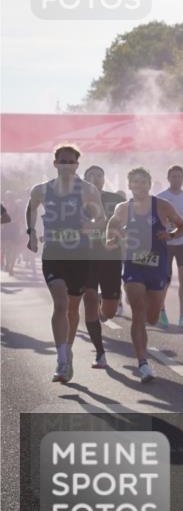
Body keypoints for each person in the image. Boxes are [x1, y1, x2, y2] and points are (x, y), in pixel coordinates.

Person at [25, 144, 107, 383]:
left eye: (71, 162)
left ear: (77, 165)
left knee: (72, 309)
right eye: (62, 161)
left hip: (80, 256)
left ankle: (67, 350)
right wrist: (30, 232)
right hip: (54, 255)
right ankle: (61, 360)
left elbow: (101, 218)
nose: (67, 166)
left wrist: (89, 225)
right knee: (60, 304)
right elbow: (31, 207)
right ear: (55, 164)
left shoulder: (88, 190)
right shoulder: (42, 189)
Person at [106, 167, 183, 383]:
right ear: (129, 185)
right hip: (134, 265)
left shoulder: (162, 206)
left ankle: (153, 307)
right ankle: (143, 363)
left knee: (152, 317)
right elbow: (113, 224)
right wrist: (112, 238)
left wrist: (169, 234)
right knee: (138, 312)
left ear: (149, 185)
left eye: (143, 182)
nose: (139, 186)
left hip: (157, 266)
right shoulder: (124, 208)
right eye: (135, 182)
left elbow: (182, 228)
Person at [81, 165, 126, 368]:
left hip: (110, 256)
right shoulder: (76, 200)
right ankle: (100, 353)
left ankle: (103, 310)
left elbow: (127, 222)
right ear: (85, 179)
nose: (96, 178)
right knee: (89, 298)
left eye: (99, 175)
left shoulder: (115, 200)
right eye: (92, 175)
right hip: (85, 257)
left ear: (104, 179)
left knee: (109, 311)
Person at [156, 165, 183, 329]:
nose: (177, 179)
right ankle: (162, 311)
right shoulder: (160, 197)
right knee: (165, 278)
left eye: (180, 176)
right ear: (168, 178)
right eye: (174, 176)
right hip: (166, 242)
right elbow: (159, 220)